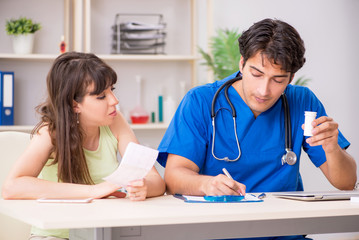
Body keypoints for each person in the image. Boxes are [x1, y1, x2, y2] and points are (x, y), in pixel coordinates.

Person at [157, 19, 357, 240]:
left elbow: (346, 182)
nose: (264, 90)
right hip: (217, 232)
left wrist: (332, 149)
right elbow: (174, 177)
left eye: (278, 80)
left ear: (291, 78)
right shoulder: (201, 101)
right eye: (257, 74)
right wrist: (207, 184)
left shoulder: (301, 101)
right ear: (242, 64)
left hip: (284, 233)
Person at [2, 52, 166, 240]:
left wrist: (144, 187)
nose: (114, 100)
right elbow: (12, 187)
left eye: (112, 90)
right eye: (102, 96)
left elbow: (157, 181)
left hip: (102, 233)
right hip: (55, 236)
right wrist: (93, 191)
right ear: (74, 105)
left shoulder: (115, 121)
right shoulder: (50, 132)